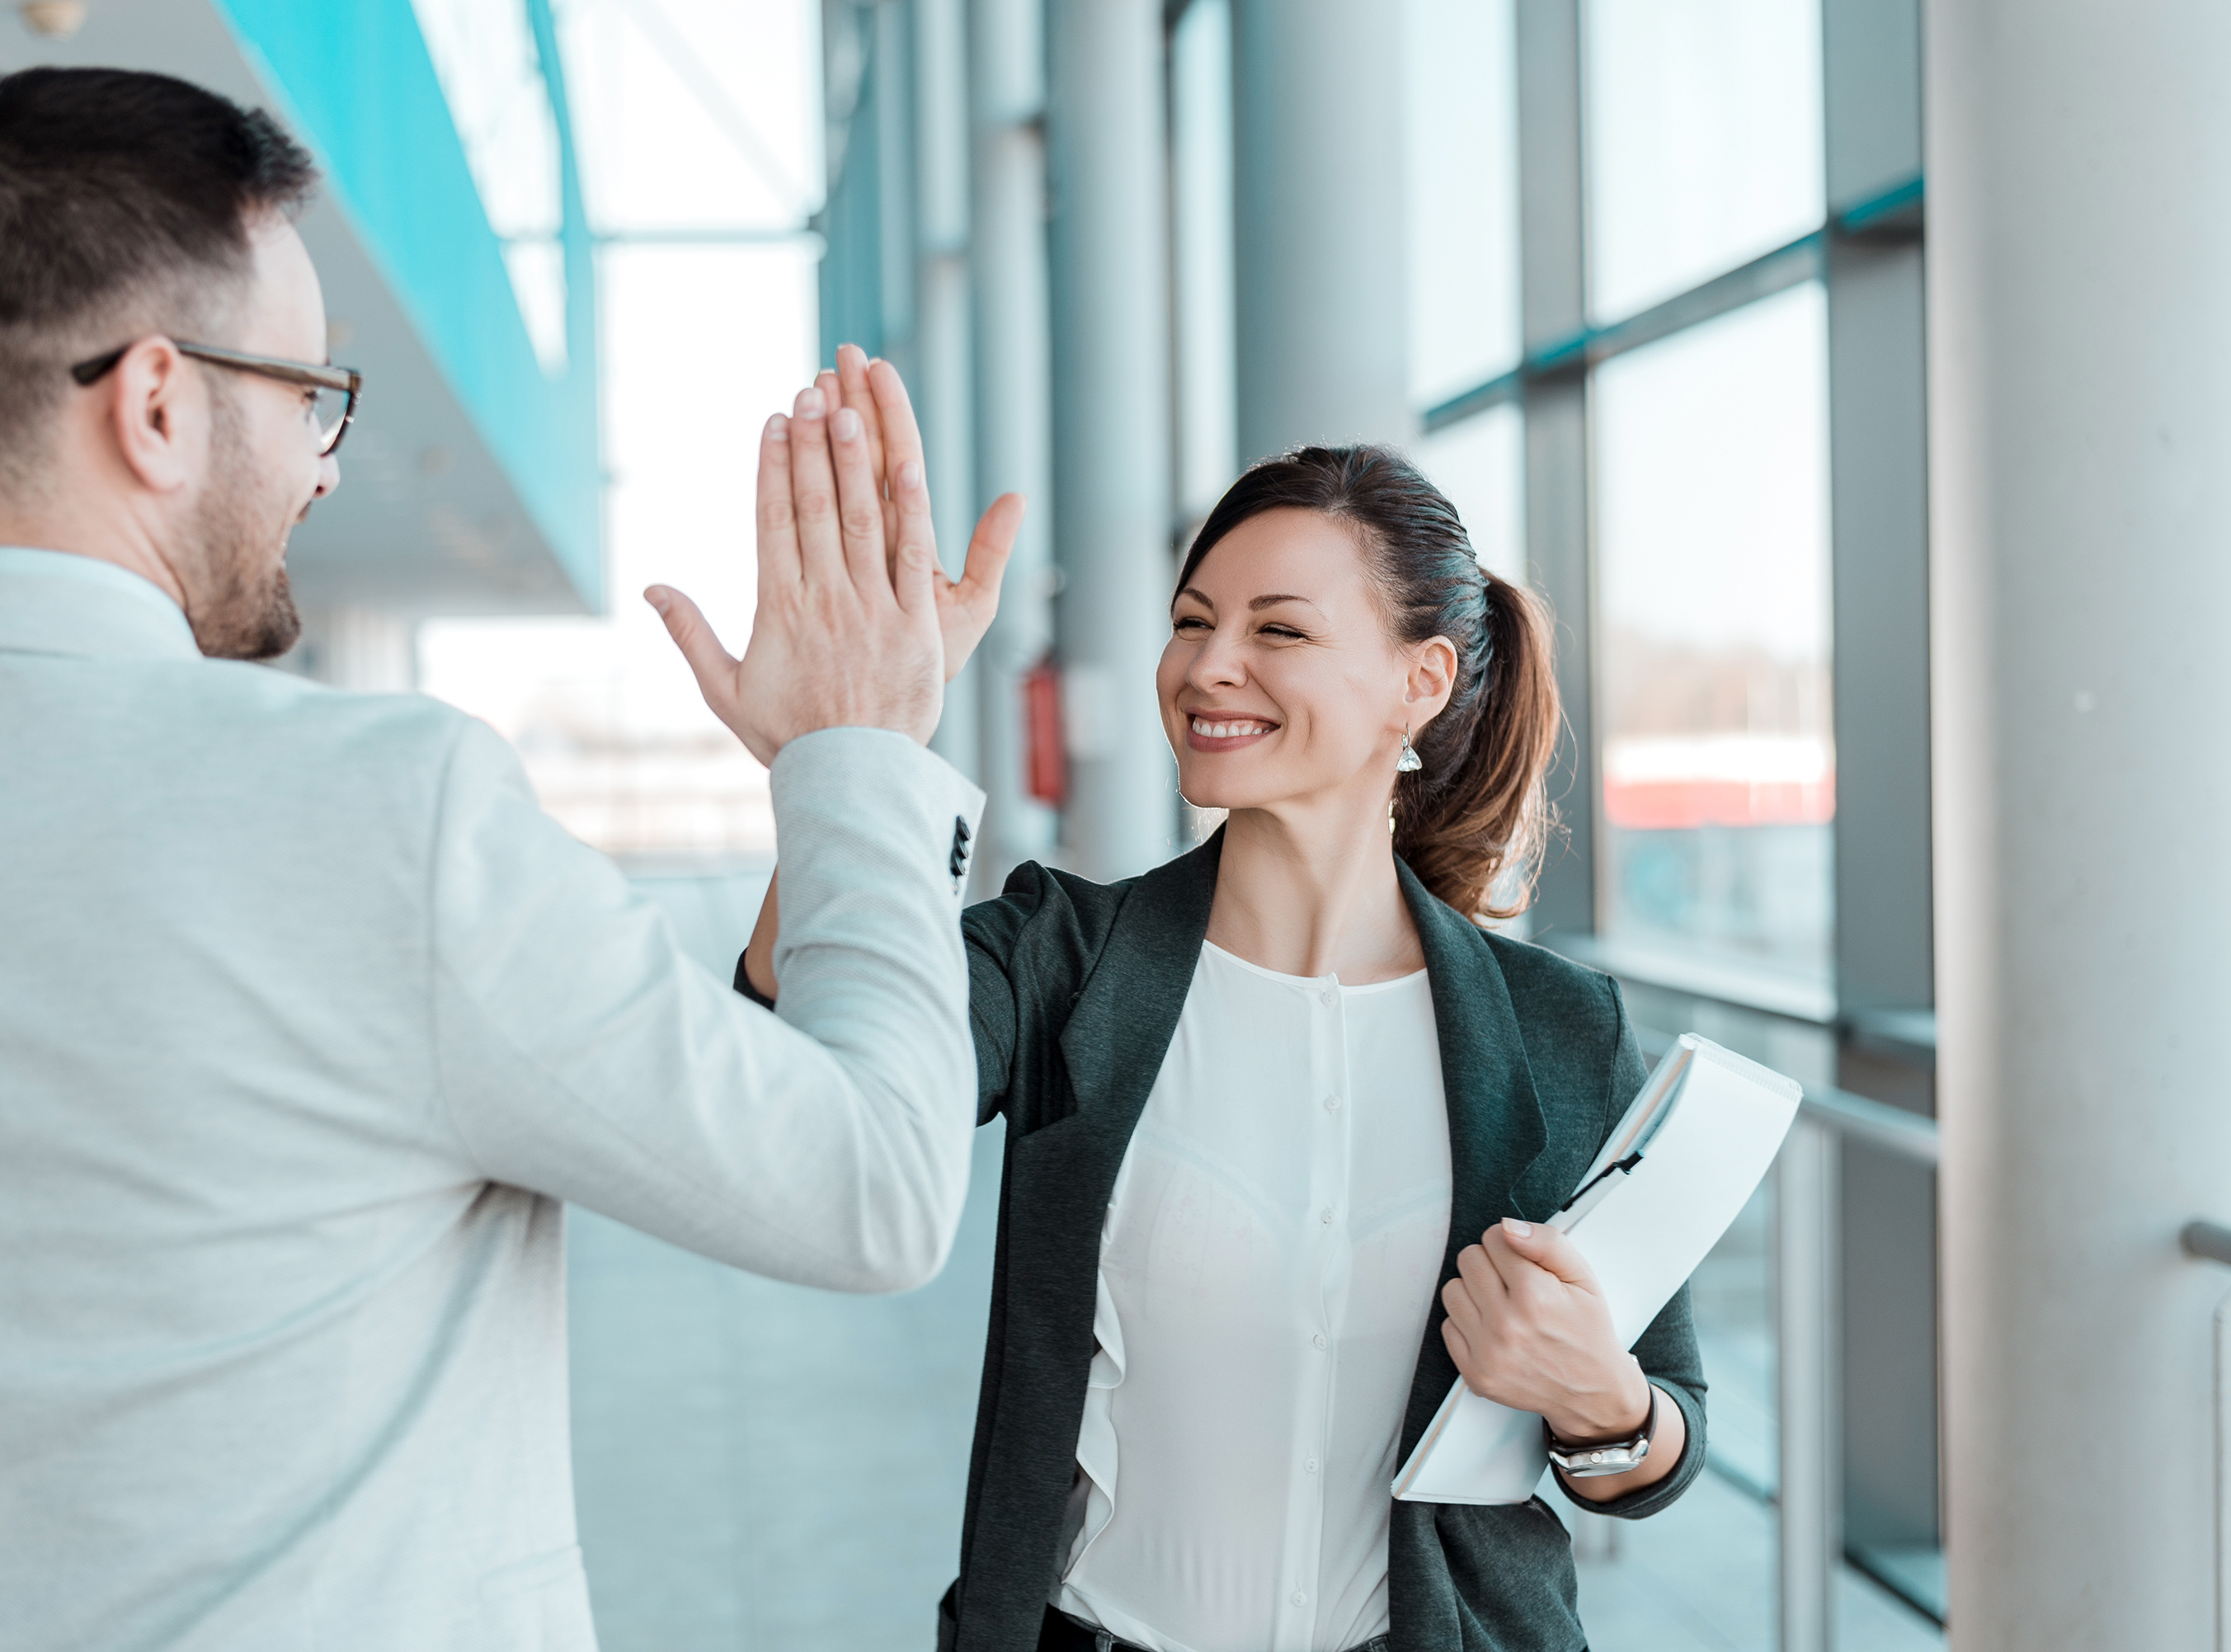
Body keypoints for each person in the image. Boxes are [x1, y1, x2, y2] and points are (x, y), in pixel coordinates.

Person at [0, 68, 1014, 1651]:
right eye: (306, 395)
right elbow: (873, 1192)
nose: (327, 463)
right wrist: (861, 753)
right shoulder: (377, 814)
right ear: (154, 404)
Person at [717, 388, 1707, 1651]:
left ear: (1422, 681)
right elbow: (796, 1095)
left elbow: (1658, 1440)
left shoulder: (1558, 1030)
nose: (1207, 665)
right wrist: (841, 757)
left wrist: (1601, 1400)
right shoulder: (1060, 955)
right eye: (1193, 621)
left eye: (1277, 629)